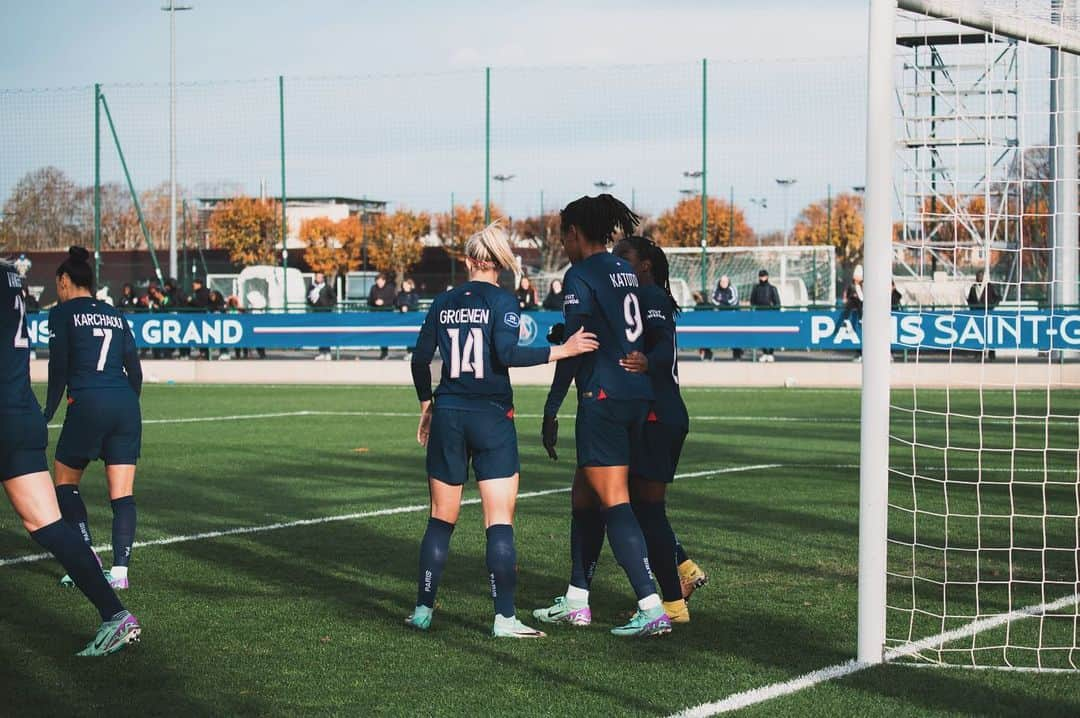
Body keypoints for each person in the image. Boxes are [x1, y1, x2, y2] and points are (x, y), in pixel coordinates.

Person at [406, 221, 599, 638]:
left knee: (440, 519)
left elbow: (420, 360)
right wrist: (562, 350)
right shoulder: (502, 301)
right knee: (498, 521)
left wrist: (427, 405)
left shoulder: (443, 301)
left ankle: (422, 609)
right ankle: (504, 618)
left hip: (449, 414)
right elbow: (507, 353)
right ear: (498, 262)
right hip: (491, 417)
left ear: (468, 261)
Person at [533, 194, 672, 638]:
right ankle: (577, 599)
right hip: (635, 395)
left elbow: (579, 343)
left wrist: (553, 406)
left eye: (562, 235)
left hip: (605, 396)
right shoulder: (623, 270)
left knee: (613, 500)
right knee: (584, 496)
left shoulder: (581, 274)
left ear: (574, 234)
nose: (562, 243)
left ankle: (651, 607)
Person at [0, 252, 140, 656]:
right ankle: (116, 616)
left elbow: (59, 368)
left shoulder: (63, 312)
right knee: (49, 526)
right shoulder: (11, 276)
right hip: (20, 415)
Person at [607, 236, 708, 623]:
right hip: (657, 414)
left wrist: (647, 361)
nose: (618, 264)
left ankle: (673, 603)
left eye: (625, 257)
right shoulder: (639, 299)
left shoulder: (650, 297)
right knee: (637, 505)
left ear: (645, 264)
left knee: (645, 509)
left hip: (658, 416)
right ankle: (682, 570)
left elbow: (664, 345)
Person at [45, 247, 144, 596]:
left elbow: (57, 370)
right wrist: (128, 404)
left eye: (57, 284)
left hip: (88, 402)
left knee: (65, 484)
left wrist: (46, 415)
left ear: (64, 280)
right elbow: (135, 370)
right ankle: (120, 571)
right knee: (122, 495)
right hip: (125, 404)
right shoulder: (115, 314)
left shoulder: (61, 314)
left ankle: (87, 559)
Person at [967, 269, 1000, 361]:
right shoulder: (973, 287)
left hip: (988, 313)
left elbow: (997, 297)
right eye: (978, 276)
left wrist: (991, 306)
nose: (979, 278)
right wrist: (972, 308)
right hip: (977, 314)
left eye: (981, 276)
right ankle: (978, 353)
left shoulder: (989, 287)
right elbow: (970, 299)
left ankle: (991, 353)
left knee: (990, 334)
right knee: (978, 335)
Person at [749, 269, 780, 362]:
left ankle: (770, 353)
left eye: (764, 276)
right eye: (761, 276)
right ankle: (764, 352)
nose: (762, 278)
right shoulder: (756, 288)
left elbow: (777, 302)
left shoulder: (772, 288)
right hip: (759, 314)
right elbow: (752, 301)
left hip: (770, 315)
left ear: (767, 277)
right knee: (760, 334)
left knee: (771, 334)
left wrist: (774, 313)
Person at [711, 275, 742, 360]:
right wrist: (723, 304)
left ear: (728, 282)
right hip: (719, 316)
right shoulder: (716, 288)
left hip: (732, 316)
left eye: (725, 282)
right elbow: (713, 300)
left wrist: (722, 303)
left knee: (735, 335)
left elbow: (733, 301)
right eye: (722, 282)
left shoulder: (732, 288)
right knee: (713, 334)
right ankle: (708, 354)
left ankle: (737, 353)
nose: (723, 283)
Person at [308, 272, 336, 360]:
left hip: (326, 313)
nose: (319, 278)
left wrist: (329, 307)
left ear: (323, 278)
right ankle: (321, 352)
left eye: (321, 277)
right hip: (316, 313)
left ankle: (327, 352)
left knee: (327, 333)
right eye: (317, 277)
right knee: (319, 333)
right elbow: (308, 298)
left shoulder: (327, 287)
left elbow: (334, 298)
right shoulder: (312, 287)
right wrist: (313, 306)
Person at [368, 273, 396, 359]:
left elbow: (393, 300)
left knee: (386, 334)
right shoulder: (373, 288)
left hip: (387, 315)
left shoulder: (390, 288)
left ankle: (385, 352)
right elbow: (369, 300)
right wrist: (374, 302)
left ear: (384, 281)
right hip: (377, 315)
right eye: (377, 281)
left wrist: (384, 302)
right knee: (380, 334)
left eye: (380, 281)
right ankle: (383, 352)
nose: (379, 283)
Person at [842, 265, 864, 363]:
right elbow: (846, 296)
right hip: (854, 305)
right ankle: (846, 319)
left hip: (860, 306)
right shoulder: (851, 286)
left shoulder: (863, 286)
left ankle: (860, 317)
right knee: (853, 301)